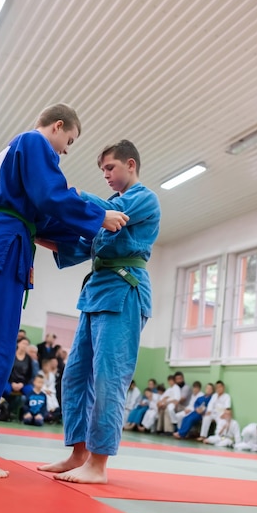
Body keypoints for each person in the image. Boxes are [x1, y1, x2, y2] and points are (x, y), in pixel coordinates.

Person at [0, 103, 129, 478]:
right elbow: (50, 196)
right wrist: (98, 217)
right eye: (66, 142)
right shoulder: (34, 143)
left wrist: (81, 234)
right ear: (56, 126)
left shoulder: (9, 152)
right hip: (4, 248)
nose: (64, 151)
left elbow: (43, 212)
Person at [37, 139, 161, 483]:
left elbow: (110, 216)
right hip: (96, 293)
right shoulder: (104, 213)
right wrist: (35, 230)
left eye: (110, 167)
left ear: (131, 165)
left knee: (109, 376)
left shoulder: (142, 199)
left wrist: (67, 194)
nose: (106, 174)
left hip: (125, 291)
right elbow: (78, 246)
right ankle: (78, 454)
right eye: (103, 170)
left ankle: (99, 462)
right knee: (74, 375)